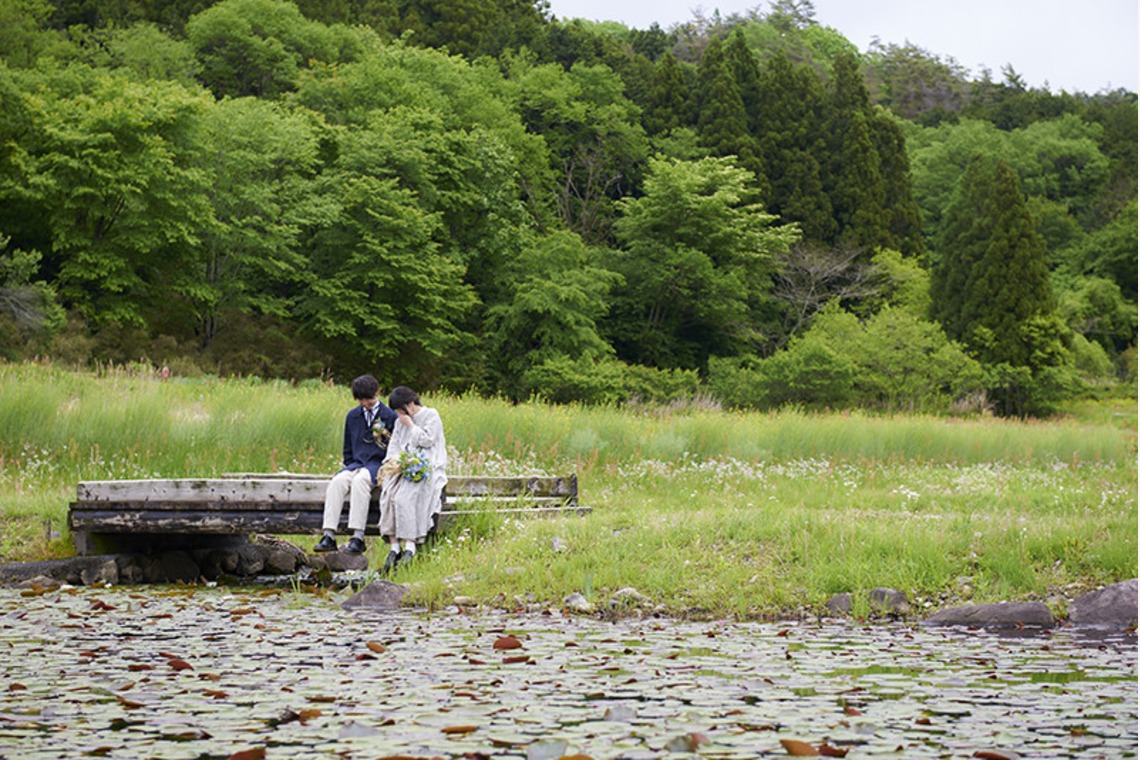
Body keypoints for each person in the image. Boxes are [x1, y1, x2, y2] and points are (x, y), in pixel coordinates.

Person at [313, 375, 396, 554]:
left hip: (377, 465)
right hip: (356, 463)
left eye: (370, 399)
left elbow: (393, 448)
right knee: (337, 481)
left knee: (361, 481)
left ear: (378, 393)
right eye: (362, 400)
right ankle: (328, 534)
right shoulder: (353, 416)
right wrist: (350, 464)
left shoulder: (390, 416)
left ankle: (357, 536)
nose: (366, 403)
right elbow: (348, 447)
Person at [378, 386, 448, 573]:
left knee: (405, 497)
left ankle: (410, 545)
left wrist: (410, 424)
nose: (399, 414)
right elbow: (394, 445)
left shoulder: (431, 415)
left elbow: (428, 441)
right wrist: (392, 463)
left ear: (409, 404)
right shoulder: (399, 422)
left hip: (426, 466)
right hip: (403, 465)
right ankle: (394, 547)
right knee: (388, 495)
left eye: (401, 409)